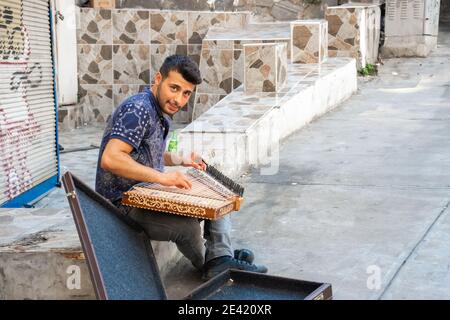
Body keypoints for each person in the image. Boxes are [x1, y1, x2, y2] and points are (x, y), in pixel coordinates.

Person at [95, 54, 268, 280]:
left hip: (146, 194)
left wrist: (181, 159)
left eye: (186, 93)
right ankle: (214, 266)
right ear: (158, 79)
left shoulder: (160, 111)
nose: (178, 99)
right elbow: (112, 158)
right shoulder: (138, 109)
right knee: (187, 227)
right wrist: (162, 178)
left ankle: (220, 257)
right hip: (122, 205)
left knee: (218, 196)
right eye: (174, 88)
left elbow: (147, 154)